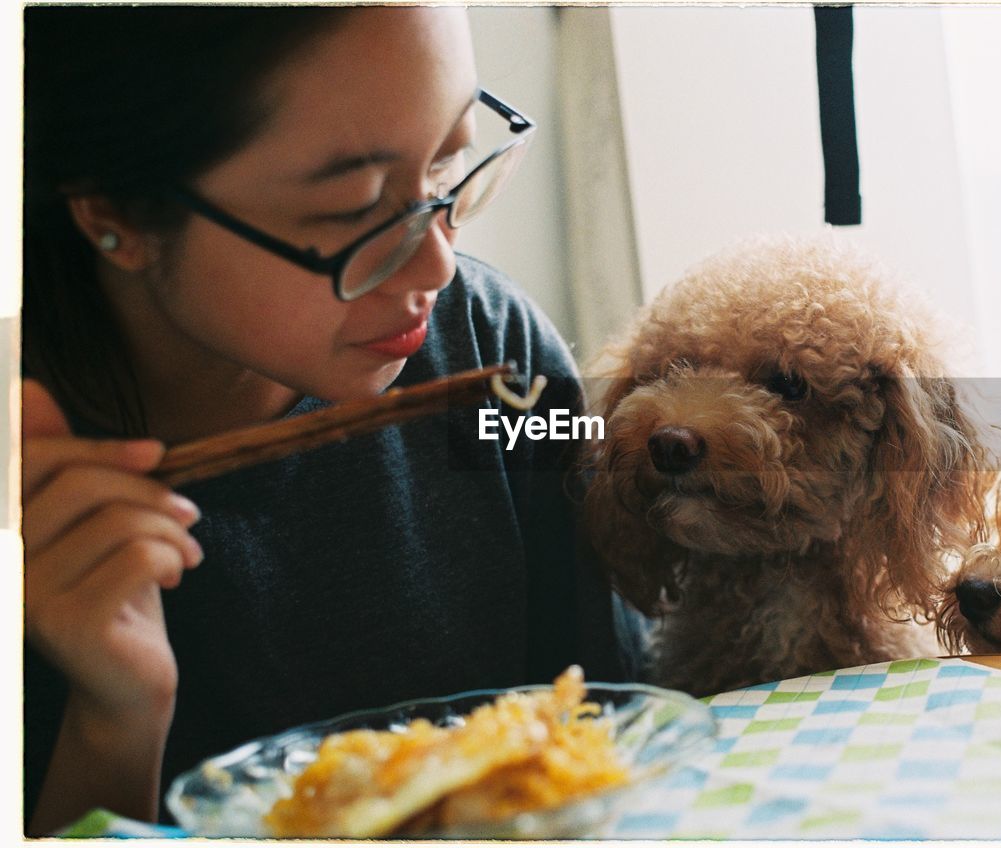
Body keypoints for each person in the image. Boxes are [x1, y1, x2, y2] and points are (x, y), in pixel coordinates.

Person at [22, 6, 634, 834]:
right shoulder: (30, 480)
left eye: (451, 154)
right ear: (115, 216)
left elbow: (626, 737)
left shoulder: (502, 373)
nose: (438, 264)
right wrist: (114, 717)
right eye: (353, 209)